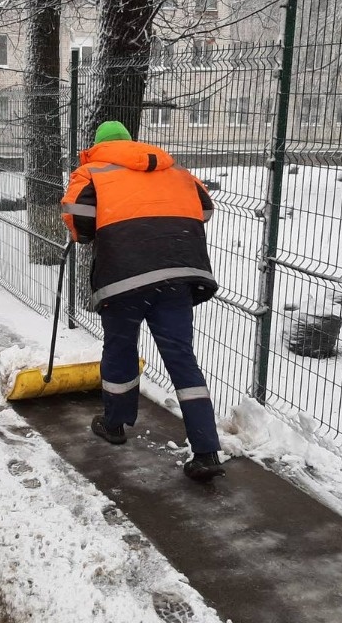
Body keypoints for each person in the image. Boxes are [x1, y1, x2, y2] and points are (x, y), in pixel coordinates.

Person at [61, 120, 225, 482]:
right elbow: (206, 210)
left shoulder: (92, 171)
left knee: (120, 349)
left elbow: (78, 216)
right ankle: (207, 450)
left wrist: (90, 234)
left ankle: (115, 423)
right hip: (178, 275)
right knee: (182, 359)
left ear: (99, 145)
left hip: (125, 278)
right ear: (130, 142)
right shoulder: (174, 169)